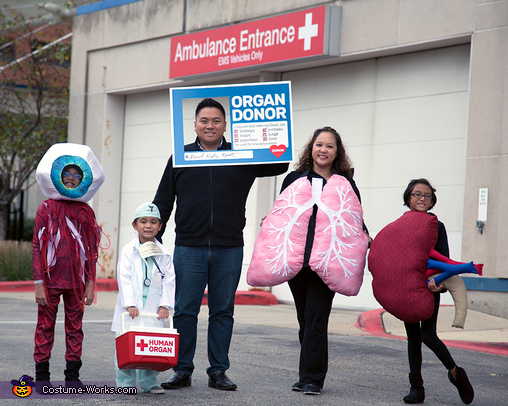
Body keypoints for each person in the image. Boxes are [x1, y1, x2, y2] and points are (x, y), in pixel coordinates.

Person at [153, 97, 289, 391]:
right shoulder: (181, 156)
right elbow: (163, 199)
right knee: (185, 310)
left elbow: (279, 162)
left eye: (216, 121)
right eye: (204, 121)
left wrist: (275, 133)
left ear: (226, 125)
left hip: (229, 246)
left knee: (222, 311)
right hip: (189, 246)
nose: (210, 126)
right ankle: (182, 369)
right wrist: (153, 234)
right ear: (194, 125)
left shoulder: (242, 155)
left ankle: (218, 371)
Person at [279, 126, 370, 395]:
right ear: (312, 148)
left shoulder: (345, 183)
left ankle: (312, 379)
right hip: (298, 260)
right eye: (319, 144)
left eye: (330, 146)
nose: (323, 150)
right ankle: (306, 372)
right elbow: (282, 210)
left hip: (328, 261)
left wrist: (364, 233)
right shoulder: (295, 179)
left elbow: (354, 216)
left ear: (336, 152)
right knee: (305, 319)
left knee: (317, 318)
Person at [33, 144, 105, 392]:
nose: (72, 178)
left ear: (83, 178)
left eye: (77, 174)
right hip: (50, 281)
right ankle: (41, 375)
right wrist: (38, 283)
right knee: (45, 326)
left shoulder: (86, 212)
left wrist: (91, 282)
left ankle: (72, 376)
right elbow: (36, 248)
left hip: (76, 282)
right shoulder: (46, 208)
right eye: (67, 174)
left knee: (75, 328)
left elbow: (92, 250)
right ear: (59, 176)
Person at [401, 178, 474, 404]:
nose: (422, 198)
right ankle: (417, 388)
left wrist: (439, 284)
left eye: (427, 195)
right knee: (413, 338)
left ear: (432, 201)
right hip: (408, 289)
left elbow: (445, 260)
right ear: (408, 198)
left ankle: (455, 373)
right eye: (417, 194)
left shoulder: (437, 226)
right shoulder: (400, 225)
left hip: (429, 288)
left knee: (428, 335)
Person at [111, 202, 176, 394]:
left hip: (154, 308)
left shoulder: (164, 253)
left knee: (150, 345)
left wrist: (165, 305)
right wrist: (129, 303)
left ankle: (149, 381)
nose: (148, 226)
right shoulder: (128, 250)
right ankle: (125, 382)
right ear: (134, 225)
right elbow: (123, 277)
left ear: (160, 226)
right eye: (143, 221)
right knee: (126, 344)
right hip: (132, 308)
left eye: (153, 222)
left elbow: (170, 280)